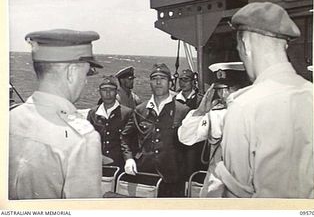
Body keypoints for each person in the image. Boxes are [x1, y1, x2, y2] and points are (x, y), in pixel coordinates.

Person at [215, 2, 314, 198]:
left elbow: (236, 198)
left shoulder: (244, 107)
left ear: (245, 46)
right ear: (285, 45)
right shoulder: (312, 95)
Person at [9, 29, 104, 199]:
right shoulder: (82, 138)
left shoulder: (10, 119)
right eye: (86, 72)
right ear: (72, 72)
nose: (85, 80)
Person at [178, 62, 250, 197]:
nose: (222, 94)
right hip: (214, 190)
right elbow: (185, 138)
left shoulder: (254, 115)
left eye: (227, 89)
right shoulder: (215, 114)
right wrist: (200, 112)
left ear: (241, 89)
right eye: (219, 89)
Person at [121, 63, 190, 197]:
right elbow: (125, 137)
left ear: (170, 83)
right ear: (150, 83)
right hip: (144, 175)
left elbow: (190, 148)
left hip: (173, 179)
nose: (158, 82)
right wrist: (129, 159)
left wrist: (187, 177)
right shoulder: (140, 110)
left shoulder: (183, 111)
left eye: (163, 78)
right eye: (154, 79)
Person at [87, 75, 133, 170]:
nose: (107, 93)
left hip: (118, 165)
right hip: (97, 164)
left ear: (116, 92)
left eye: (111, 90)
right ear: (99, 92)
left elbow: (128, 140)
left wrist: (129, 160)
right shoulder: (93, 113)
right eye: (104, 90)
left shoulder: (127, 113)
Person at [175, 69, 206, 177]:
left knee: (191, 171)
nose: (183, 83)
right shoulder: (173, 100)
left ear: (193, 82)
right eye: (181, 80)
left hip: (194, 145)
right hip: (176, 142)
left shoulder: (201, 101)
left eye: (186, 80)